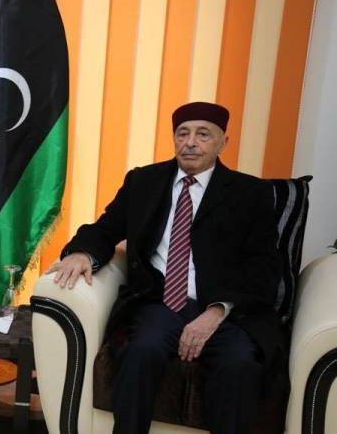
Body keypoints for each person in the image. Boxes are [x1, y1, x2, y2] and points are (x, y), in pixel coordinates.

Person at [47, 102, 281, 434]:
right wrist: (82, 254)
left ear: (223, 142)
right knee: (141, 352)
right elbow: (105, 228)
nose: (190, 142)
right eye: (183, 133)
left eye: (203, 134)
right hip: (160, 303)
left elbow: (263, 266)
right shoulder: (144, 181)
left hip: (225, 311)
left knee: (238, 365)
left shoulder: (251, 193)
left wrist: (217, 310)